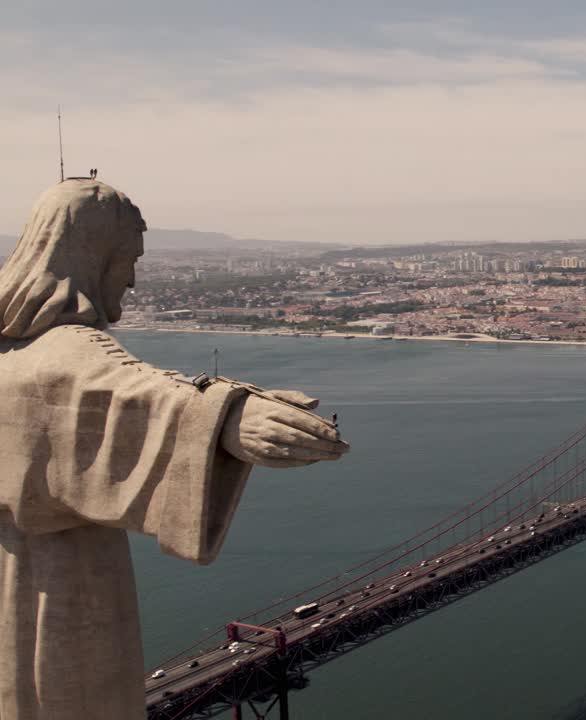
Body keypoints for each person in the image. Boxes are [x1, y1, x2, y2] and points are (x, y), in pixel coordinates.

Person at [0, 179, 350, 719]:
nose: (134, 279)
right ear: (98, 253)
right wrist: (232, 420)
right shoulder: (64, 348)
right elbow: (119, 396)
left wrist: (219, 406)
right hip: (62, 580)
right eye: (129, 259)